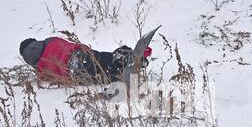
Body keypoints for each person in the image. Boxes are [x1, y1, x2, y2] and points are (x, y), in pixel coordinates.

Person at [19, 37, 152, 85]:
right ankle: (130, 56)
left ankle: (124, 69)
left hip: (74, 71)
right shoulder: (50, 41)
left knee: (106, 75)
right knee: (109, 59)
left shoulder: (41, 71)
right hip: (80, 54)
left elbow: (55, 79)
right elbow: (68, 44)